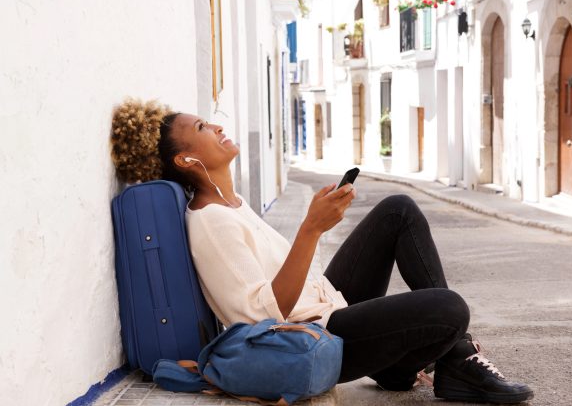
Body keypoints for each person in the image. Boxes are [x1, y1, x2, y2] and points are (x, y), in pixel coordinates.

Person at [110, 98, 534, 404]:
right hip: (320, 337)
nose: (218, 127)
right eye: (203, 128)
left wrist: (314, 228)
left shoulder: (232, 204)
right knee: (449, 308)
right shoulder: (211, 220)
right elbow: (261, 317)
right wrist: (311, 230)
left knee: (397, 210)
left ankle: (418, 362)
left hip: (329, 306)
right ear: (186, 161)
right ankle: (454, 358)